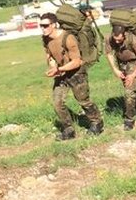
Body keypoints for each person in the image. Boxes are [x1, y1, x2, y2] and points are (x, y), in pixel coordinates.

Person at [41, 11, 103, 139]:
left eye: (45, 25)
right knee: (57, 103)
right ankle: (69, 130)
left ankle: (97, 122)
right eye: (41, 25)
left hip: (76, 73)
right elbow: (50, 56)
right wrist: (53, 66)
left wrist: (59, 69)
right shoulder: (45, 38)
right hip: (61, 73)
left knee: (83, 101)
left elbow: (77, 62)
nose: (42, 28)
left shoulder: (68, 38)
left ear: (54, 25)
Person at [106, 23, 136, 130]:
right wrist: (115, 69)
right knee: (133, 89)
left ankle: (129, 119)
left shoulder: (133, 40)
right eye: (115, 40)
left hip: (134, 63)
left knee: (129, 91)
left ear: (124, 35)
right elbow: (109, 53)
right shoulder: (110, 39)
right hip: (121, 65)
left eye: (119, 40)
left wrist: (133, 74)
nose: (117, 42)